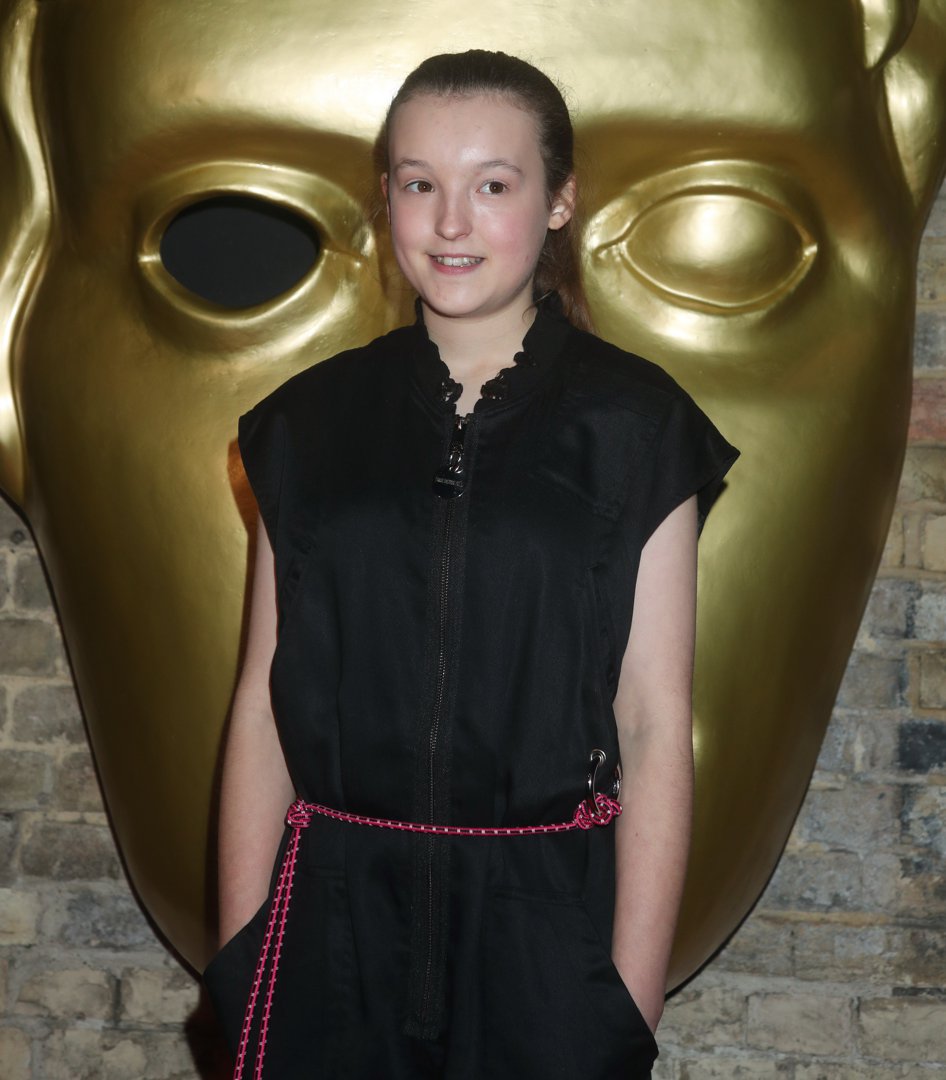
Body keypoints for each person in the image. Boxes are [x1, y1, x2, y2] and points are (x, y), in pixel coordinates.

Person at [204, 49, 738, 1080]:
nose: (450, 223)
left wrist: (627, 1001)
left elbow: (651, 721)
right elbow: (262, 703)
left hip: (544, 947)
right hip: (329, 944)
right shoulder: (304, 427)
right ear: (388, 198)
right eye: (419, 184)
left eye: (492, 186)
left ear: (558, 202)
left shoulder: (638, 428)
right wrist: (242, 958)